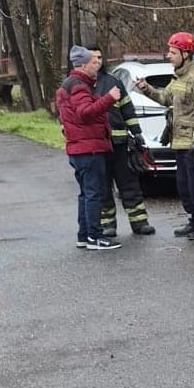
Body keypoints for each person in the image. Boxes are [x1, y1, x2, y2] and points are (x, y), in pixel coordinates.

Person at [134, 31, 194, 240]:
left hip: (193, 144)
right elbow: (164, 98)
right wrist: (146, 89)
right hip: (179, 142)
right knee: (184, 186)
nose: (168, 56)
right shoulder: (178, 78)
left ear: (185, 54)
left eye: (172, 52)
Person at [56, 44, 121, 250]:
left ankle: (84, 235)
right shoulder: (79, 86)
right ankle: (94, 236)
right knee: (94, 193)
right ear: (83, 65)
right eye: (94, 62)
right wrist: (109, 99)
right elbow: (85, 112)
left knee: (86, 193)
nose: (98, 65)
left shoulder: (72, 84)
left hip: (80, 148)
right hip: (88, 148)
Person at [89, 44, 156, 238]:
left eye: (100, 57)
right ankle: (107, 224)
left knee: (129, 184)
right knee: (102, 186)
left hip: (119, 145)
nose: (97, 62)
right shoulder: (81, 84)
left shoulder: (113, 82)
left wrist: (137, 133)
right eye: (93, 58)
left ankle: (139, 222)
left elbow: (128, 110)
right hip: (97, 147)